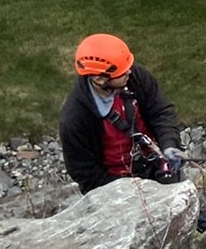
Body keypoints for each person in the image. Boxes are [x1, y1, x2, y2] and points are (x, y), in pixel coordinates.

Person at [58, 33, 185, 194]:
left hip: (156, 164)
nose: (129, 73)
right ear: (99, 79)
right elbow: (84, 172)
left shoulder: (136, 77)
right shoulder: (74, 119)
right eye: (122, 73)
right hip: (114, 186)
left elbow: (161, 112)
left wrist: (169, 144)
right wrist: (130, 189)